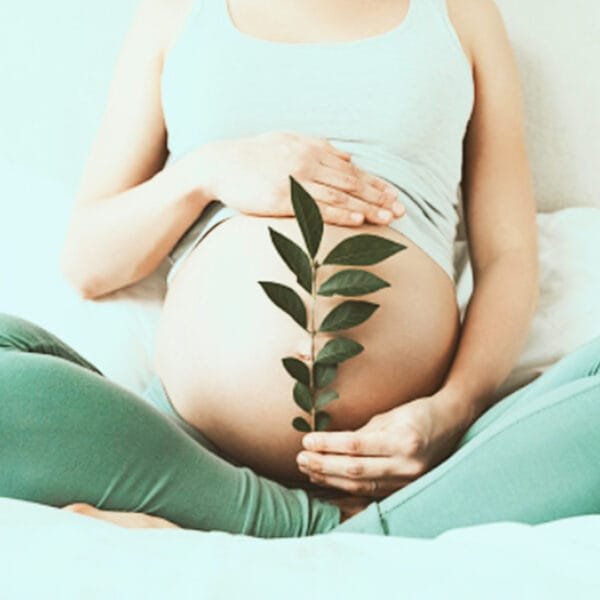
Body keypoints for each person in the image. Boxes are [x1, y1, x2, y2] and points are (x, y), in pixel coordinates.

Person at [4, 0, 594, 534]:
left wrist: (451, 410)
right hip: (188, 450)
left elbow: (510, 257)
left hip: (421, 458)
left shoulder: (460, 13)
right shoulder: (177, 13)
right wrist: (207, 172)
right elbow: (88, 261)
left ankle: (236, 520)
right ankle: (333, 527)